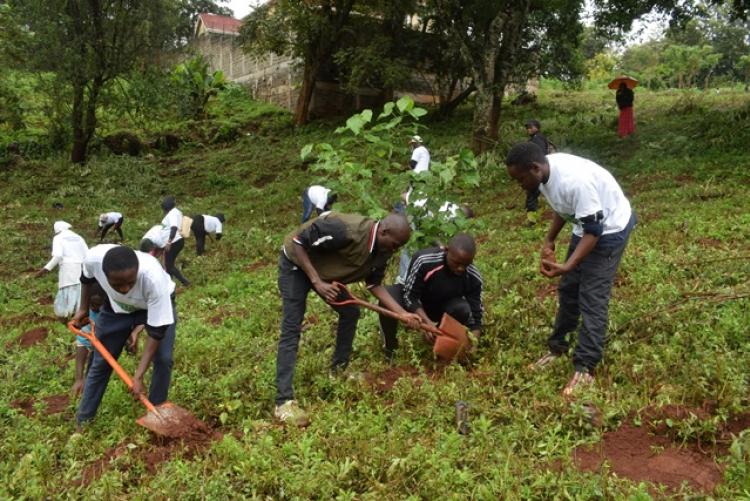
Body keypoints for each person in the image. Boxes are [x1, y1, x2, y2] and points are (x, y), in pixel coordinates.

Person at [505, 143, 636, 396]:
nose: (519, 184)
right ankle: (557, 348)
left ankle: (585, 367)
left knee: (592, 297)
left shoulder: (576, 181)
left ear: (534, 168)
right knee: (568, 289)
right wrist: (549, 239)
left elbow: (595, 231)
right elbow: (563, 208)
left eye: (520, 179)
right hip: (586, 226)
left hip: (609, 228)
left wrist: (569, 264)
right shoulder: (543, 174)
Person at [275, 211, 421, 426]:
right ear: (384, 231)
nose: (395, 250)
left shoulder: (384, 249)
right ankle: (283, 401)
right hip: (297, 265)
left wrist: (402, 313)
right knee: (292, 326)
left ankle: (339, 371)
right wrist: (317, 282)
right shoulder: (343, 229)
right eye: (395, 244)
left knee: (350, 312)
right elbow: (299, 241)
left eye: (399, 247)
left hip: (326, 274)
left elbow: (374, 284)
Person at [73, 245, 177, 426]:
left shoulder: (153, 279)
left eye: (131, 282)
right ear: (104, 275)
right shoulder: (93, 259)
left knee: (163, 358)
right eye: (117, 284)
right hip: (117, 310)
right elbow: (86, 278)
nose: (125, 289)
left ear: (137, 271)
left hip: (153, 305)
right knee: (101, 362)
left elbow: (156, 332)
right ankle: (83, 420)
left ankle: (157, 411)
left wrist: (138, 376)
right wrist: (83, 308)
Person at [379, 233, 483, 361]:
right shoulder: (424, 260)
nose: (461, 268)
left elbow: (476, 318)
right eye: (456, 263)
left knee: (463, 309)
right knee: (388, 298)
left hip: (442, 309)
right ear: (446, 250)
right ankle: (391, 350)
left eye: (466, 264)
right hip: (416, 302)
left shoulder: (473, 277)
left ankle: (440, 343)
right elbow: (410, 296)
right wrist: (426, 325)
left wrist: (474, 345)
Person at [35, 221, 89, 319]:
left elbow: (58, 256)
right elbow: (87, 253)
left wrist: (45, 269)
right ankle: (80, 314)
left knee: (69, 289)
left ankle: (68, 316)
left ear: (57, 230)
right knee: (80, 290)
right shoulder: (78, 237)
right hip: (82, 267)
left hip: (68, 268)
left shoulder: (58, 238)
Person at [524, 120, 554, 226]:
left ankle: (532, 219)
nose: (529, 129)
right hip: (539, 168)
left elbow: (539, 154)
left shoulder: (538, 139)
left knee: (532, 193)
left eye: (531, 127)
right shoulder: (536, 138)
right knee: (533, 193)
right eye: (528, 128)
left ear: (537, 127)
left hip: (538, 169)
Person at [160, 196, 190, 286]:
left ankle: (185, 282)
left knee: (169, 265)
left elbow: (174, 227)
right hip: (176, 241)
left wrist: (169, 242)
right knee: (169, 264)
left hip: (174, 241)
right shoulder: (175, 212)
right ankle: (170, 283)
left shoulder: (173, 213)